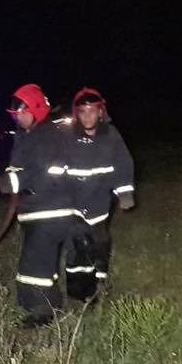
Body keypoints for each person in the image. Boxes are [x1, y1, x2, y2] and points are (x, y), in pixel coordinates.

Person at [0, 83, 76, 327]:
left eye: (22, 113)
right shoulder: (27, 136)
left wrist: (1, 183)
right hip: (36, 208)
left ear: (37, 110)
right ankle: (39, 305)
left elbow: (41, 175)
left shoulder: (49, 136)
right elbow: (20, 170)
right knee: (36, 262)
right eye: (15, 115)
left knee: (36, 264)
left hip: (52, 209)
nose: (18, 118)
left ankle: (43, 313)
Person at [60, 87, 135, 303]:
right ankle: (78, 291)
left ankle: (99, 286)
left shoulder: (111, 135)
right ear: (76, 114)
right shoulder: (67, 136)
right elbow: (54, 166)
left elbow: (123, 164)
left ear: (100, 112)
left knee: (100, 243)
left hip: (100, 203)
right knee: (78, 243)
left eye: (92, 111)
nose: (87, 116)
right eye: (82, 111)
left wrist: (125, 195)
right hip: (72, 203)